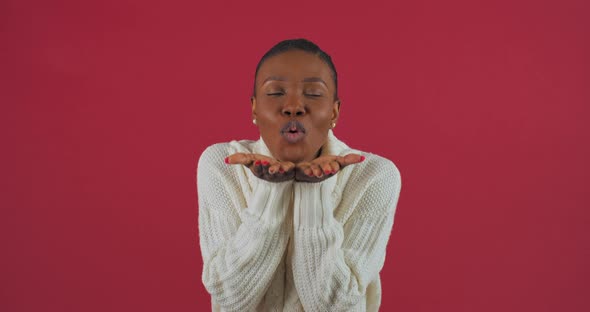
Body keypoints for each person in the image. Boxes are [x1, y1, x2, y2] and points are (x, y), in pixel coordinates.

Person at [197, 38, 402, 312]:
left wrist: (312, 192)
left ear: (334, 112)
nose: (293, 106)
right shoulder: (222, 165)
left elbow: (332, 305)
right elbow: (230, 297)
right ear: (254, 108)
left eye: (314, 94)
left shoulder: (375, 176)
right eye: (275, 92)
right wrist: (271, 191)